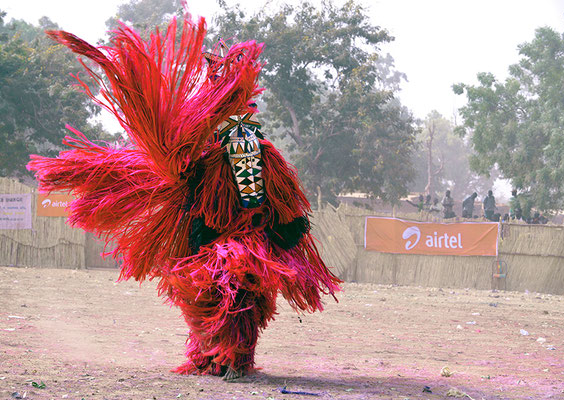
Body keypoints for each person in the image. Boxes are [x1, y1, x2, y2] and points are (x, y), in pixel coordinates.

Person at [28, 18, 341, 381]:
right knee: (223, 294)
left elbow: (281, 204)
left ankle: (231, 360)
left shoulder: (254, 158)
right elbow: (229, 199)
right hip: (221, 242)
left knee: (239, 295)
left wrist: (285, 233)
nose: (241, 139)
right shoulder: (215, 159)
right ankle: (218, 359)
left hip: (244, 243)